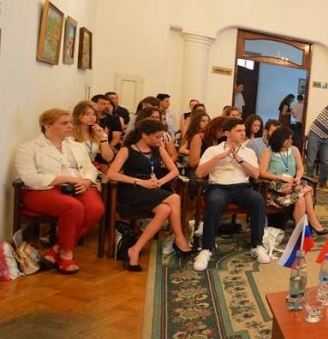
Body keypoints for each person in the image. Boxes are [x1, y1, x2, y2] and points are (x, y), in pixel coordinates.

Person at [14, 108, 105, 275]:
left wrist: (87, 181)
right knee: (73, 207)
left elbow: (90, 168)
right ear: (47, 126)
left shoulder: (76, 146)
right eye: (64, 123)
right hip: (42, 189)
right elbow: (29, 177)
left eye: (70, 122)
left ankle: (56, 249)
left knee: (96, 208)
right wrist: (64, 179)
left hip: (78, 185)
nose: (70, 126)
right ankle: (66, 254)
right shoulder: (29, 148)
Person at [106, 119, 194, 270]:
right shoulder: (127, 150)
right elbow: (111, 173)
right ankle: (180, 240)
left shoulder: (158, 149)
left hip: (151, 188)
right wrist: (139, 182)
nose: (159, 140)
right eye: (157, 137)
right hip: (132, 189)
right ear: (144, 135)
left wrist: (160, 182)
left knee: (165, 210)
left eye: (161, 136)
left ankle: (135, 249)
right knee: (174, 197)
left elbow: (174, 171)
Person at [193, 118, 270, 271]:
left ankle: (257, 245)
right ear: (227, 133)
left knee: (257, 200)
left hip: (242, 188)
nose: (243, 133)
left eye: (244, 130)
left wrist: (240, 160)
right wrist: (218, 157)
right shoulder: (213, 150)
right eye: (239, 131)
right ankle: (207, 248)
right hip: (219, 187)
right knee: (215, 201)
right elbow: (200, 173)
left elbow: (256, 174)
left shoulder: (249, 152)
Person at [258, 127, 328, 235]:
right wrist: (280, 177)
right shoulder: (268, 152)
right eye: (288, 139)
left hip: (293, 185)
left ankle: (299, 232)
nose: (291, 141)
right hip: (276, 188)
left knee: (301, 199)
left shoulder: (294, 150)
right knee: (306, 191)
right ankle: (312, 221)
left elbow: (300, 168)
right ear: (280, 139)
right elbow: (262, 172)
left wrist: (298, 177)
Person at [71, 100, 115, 169]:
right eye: (87, 114)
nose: (92, 117)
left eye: (94, 114)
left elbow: (108, 158)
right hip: (72, 168)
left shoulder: (98, 132)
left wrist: (102, 137)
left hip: (90, 168)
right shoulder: (69, 133)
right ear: (78, 116)